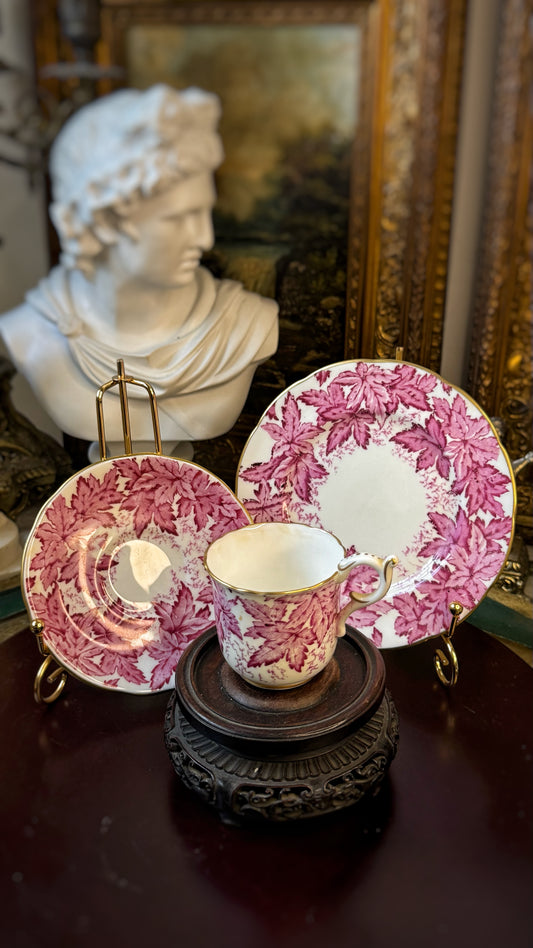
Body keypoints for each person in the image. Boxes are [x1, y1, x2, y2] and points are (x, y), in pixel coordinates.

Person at [0, 84, 279, 460]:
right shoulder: (32, 334)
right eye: (179, 218)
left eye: (204, 213)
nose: (205, 238)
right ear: (105, 221)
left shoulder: (246, 325)